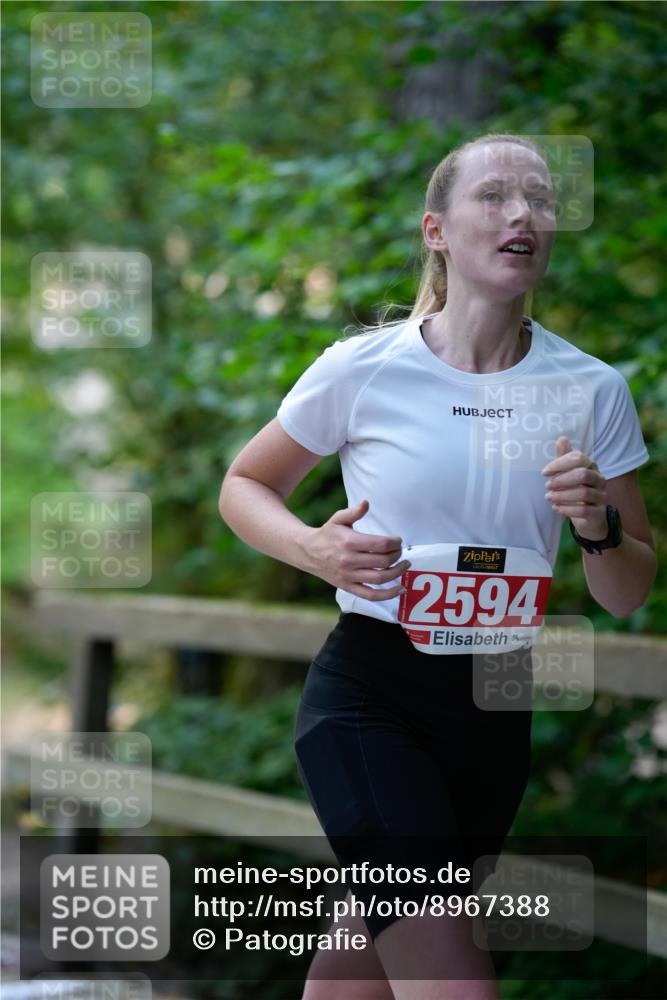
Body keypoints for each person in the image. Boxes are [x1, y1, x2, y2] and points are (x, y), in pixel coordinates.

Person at [218, 132, 656, 1000]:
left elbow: (626, 587)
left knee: (356, 982)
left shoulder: (591, 389)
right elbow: (244, 485)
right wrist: (312, 546)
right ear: (436, 231)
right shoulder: (363, 368)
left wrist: (596, 521)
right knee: (452, 984)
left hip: (495, 707)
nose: (523, 213)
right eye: (494, 195)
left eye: (539, 197)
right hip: (368, 698)